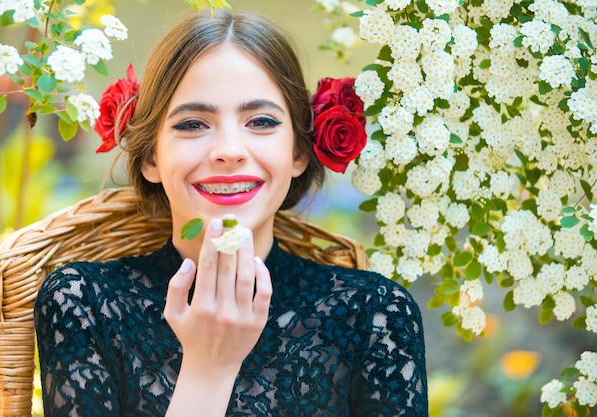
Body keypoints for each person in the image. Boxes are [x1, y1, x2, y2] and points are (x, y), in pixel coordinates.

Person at [34, 8, 428, 417]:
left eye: (260, 121)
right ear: (150, 156)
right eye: (192, 124)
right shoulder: (83, 304)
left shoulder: (374, 314)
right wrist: (209, 370)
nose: (229, 150)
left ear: (297, 151)